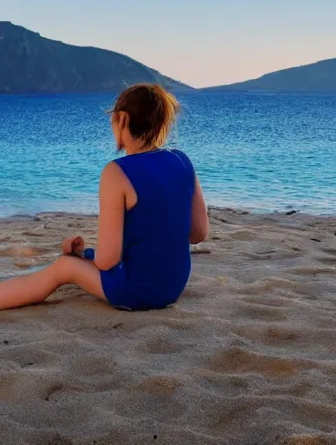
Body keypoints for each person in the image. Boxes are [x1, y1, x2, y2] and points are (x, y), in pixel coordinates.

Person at [0, 84, 209, 311]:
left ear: (123, 120)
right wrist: (86, 256)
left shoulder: (116, 172)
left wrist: (80, 260)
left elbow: (108, 261)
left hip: (137, 291)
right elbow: (198, 233)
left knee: (63, 268)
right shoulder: (182, 161)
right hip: (173, 285)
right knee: (81, 258)